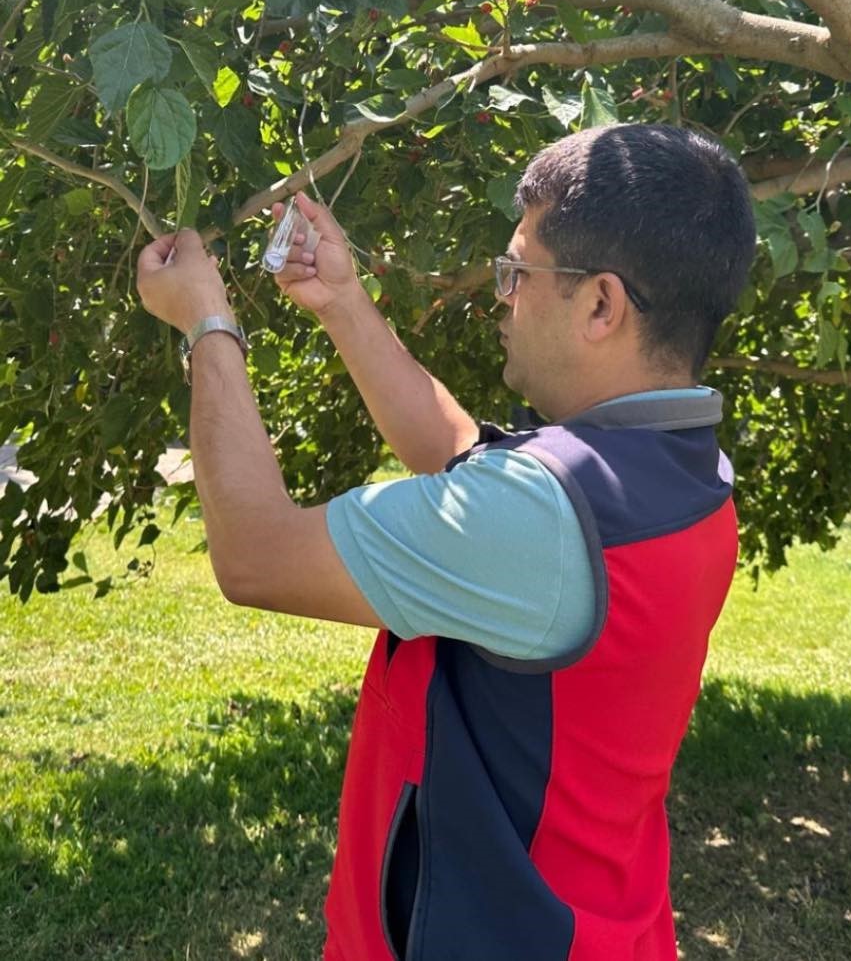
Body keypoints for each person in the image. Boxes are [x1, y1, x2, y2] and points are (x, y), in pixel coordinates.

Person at [136, 122, 757, 961]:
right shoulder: (679, 472)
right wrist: (342, 302)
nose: (502, 294)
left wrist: (207, 323)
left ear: (601, 304)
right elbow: (470, 460)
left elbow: (253, 552)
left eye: (519, 271)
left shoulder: (541, 517)